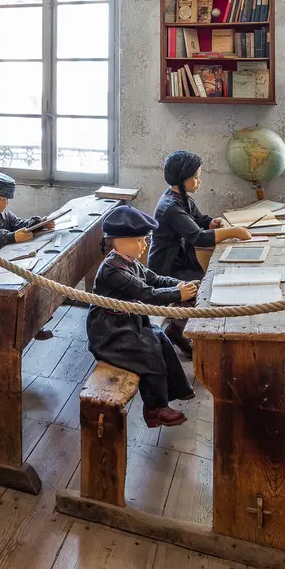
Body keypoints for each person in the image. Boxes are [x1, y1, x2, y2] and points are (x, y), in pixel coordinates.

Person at [88, 206, 199, 428]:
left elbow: (154, 279)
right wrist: (179, 294)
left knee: (160, 340)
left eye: (144, 239)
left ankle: (171, 395)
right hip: (109, 331)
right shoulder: (113, 270)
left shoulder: (130, 262)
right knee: (149, 352)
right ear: (117, 241)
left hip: (127, 322)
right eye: (139, 240)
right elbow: (146, 294)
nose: (145, 245)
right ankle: (154, 409)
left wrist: (177, 285)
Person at [147, 151, 254, 357]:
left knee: (205, 287)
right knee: (205, 293)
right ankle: (183, 332)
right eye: (195, 177)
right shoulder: (170, 206)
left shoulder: (182, 198)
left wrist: (212, 222)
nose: (199, 181)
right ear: (181, 179)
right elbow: (198, 237)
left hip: (181, 261)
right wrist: (234, 231)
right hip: (167, 267)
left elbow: (199, 219)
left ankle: (176, 330)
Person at [0, 171, 55, 251]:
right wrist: (13, 237)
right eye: (0, 199)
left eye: (7, 199)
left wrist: (39, 224)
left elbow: (19, 224)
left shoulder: (6, 215)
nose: (5, 203)